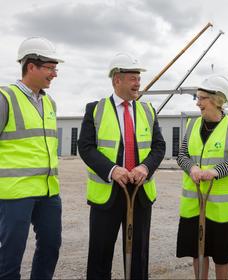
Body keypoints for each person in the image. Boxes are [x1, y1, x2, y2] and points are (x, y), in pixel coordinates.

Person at [78, 53, 165, 279]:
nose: (138, 83)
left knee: (139, 256)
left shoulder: (148, 110)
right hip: (107, 194)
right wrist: (112, 170)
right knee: (100, 255)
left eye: (139, 77)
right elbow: (85, 147)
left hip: (140, 192)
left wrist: (145, 168)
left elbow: (159, 146)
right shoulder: (95, 109)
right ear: (117, 80)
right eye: (133, 78)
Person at [0, 37, 63, 279]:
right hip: (14, 194)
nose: (54, 74)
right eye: (50, 68)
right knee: (10, 255)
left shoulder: (50, 103)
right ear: (31, 67)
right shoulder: (6, 98)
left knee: (50, 246)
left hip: (48, 192)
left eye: (55, 68)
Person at [176, 75, 228, 280]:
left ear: (217, 100)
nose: (198, 102)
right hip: (194, 204)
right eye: (197, 98)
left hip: (222, 209)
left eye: (202, 98)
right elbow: (182, 155)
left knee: (222, 255)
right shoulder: (191, 125)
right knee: (199, 251)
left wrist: (215, 172)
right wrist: (192, 169)